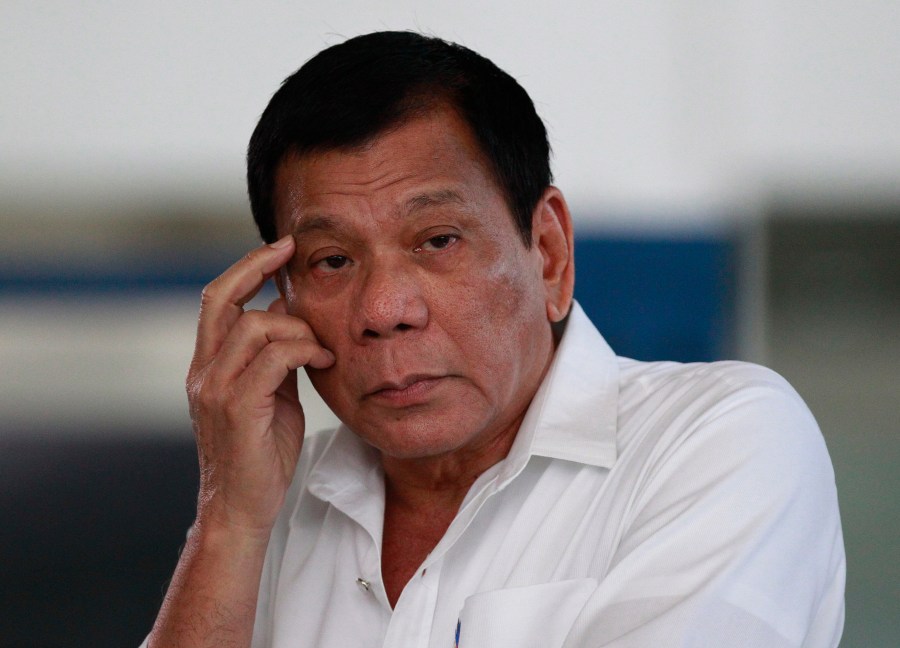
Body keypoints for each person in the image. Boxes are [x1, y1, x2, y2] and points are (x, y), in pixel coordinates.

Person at [144, 31, 845, 647]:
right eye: (332, 261)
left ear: (547, 251)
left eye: (438, 240)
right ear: (282, 298)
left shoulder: (715, 440)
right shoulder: (272, 505)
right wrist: (228, 522)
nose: (384, 308)